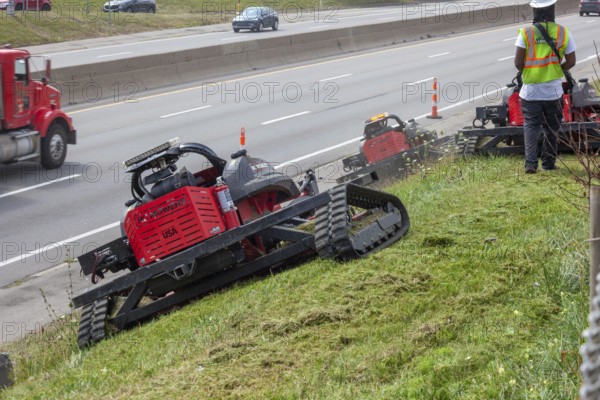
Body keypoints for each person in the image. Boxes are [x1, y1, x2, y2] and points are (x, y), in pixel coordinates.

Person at [514, 0, 576, 174]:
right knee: (552, 127)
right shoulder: (564, 33)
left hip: (531, 90)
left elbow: (518, 62)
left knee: (531, 126)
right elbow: (571, 61)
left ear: (534, 11)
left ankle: (530, 164)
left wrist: (529, 72)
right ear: (552, 10)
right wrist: (556, 69)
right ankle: (548, 164)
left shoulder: (526, 33)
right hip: (553, 91)